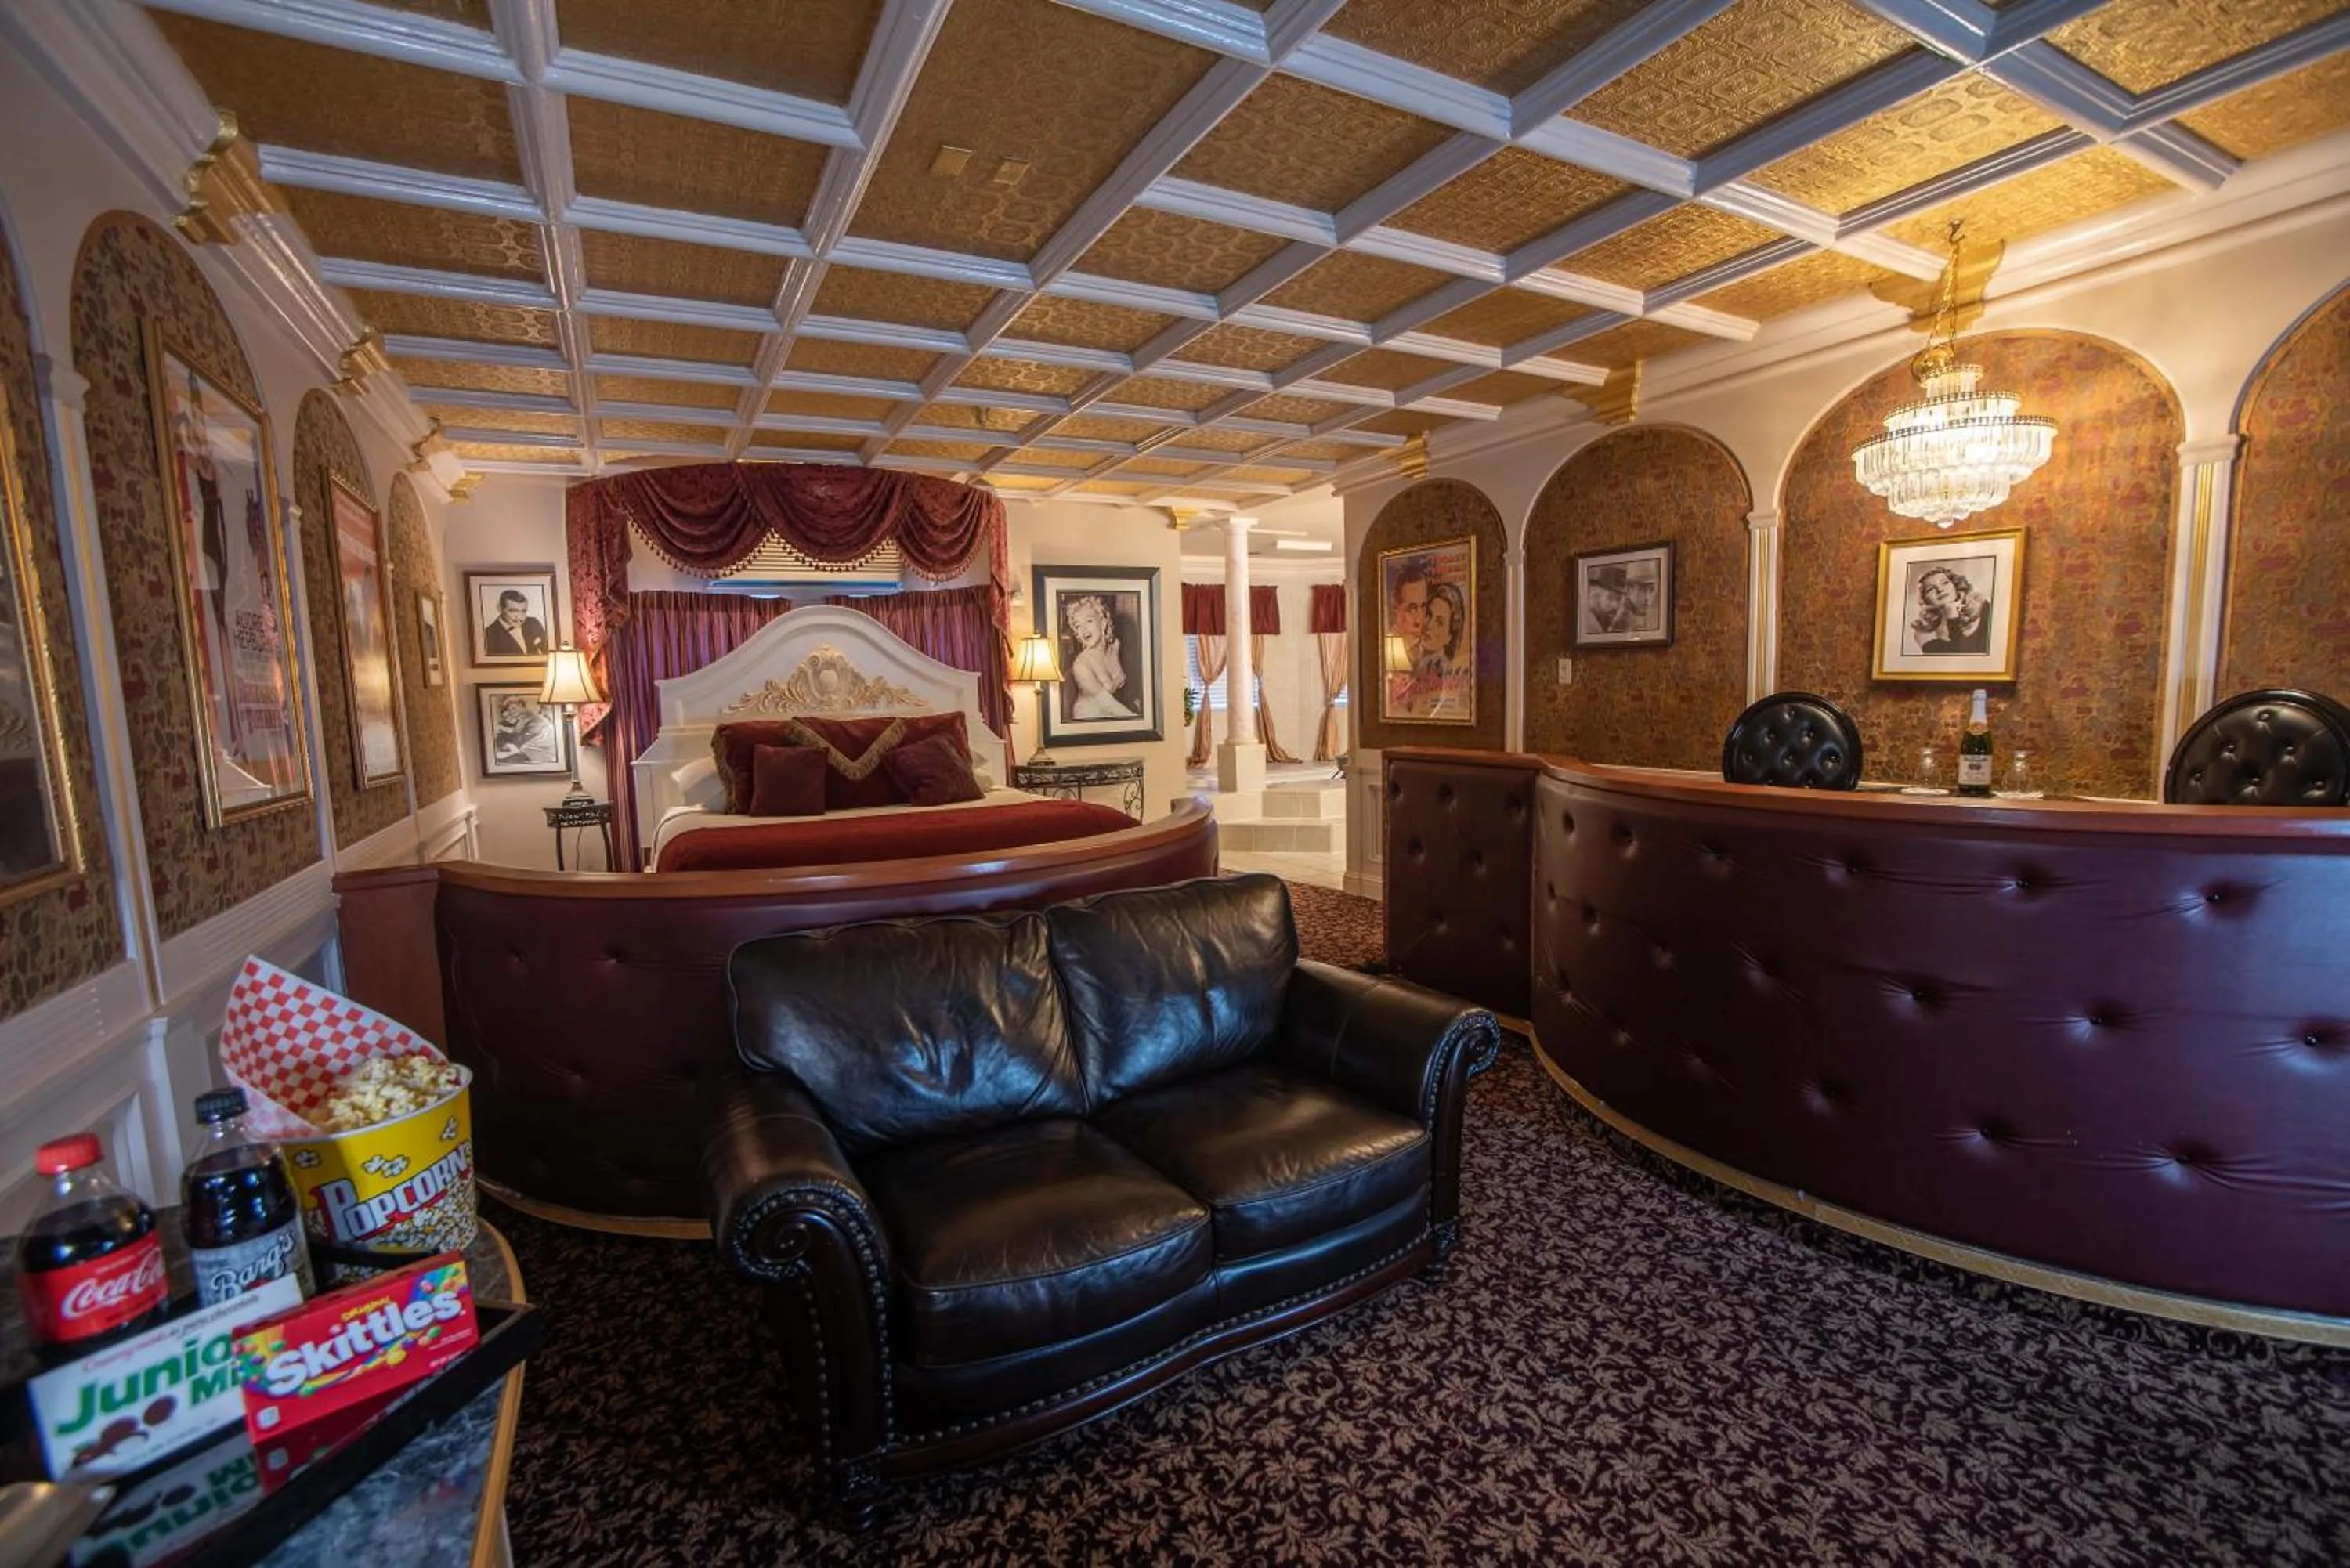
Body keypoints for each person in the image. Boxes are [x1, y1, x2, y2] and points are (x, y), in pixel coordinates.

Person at [1061, 594, 1136, 721]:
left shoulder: (1116, 646)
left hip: (1115, 717)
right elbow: (1108, 703)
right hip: (1089, 721)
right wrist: (1138, 720)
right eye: (1078, 626)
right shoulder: (1080, 665)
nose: (1083, 629)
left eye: (1089, 621)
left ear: (1103, 622)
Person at [1911, 565, 1990, 655]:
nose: (1940, 590)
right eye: (1930, 589)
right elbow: (1955, 657)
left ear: (1955, 586)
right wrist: (1952, 617)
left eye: (1944, 583)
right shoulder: (1925, 634)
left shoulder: (1982, 606)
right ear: (1924, 600)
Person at [493, 695, 559, 766]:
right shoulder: (521, 716)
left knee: (525, 749)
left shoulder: (526, 714)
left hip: (545, 736)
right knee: (523, 750)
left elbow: (517, 731)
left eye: (514, 708)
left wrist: (500, 727)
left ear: (521, 705)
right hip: (540, 737)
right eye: (510, 710)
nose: (511, 712)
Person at [483, 588, 549, 659]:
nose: (520, 618)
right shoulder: (489, 635)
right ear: (500, 608)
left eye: (523, 611)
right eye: (513, 611)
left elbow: (548, 652)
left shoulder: (534, 624)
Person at [1583, 564, 1647, 636]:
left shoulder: (1604, 622)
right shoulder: (1589, 624)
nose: (1615, 606)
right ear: (1596, 595)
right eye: (1609, 598)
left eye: (1619, 599)